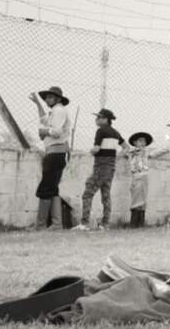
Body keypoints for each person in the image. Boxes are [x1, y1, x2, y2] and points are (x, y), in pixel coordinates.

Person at [29, 86, 73, 229]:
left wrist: (44, 131)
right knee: (52, 187)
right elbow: (43, 119)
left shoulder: (59, 111)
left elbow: (57, 132)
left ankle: (41, 225)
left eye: (50, 97)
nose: (47, 99)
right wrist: (37, 103)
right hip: (55, 152)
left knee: (46, 187)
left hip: (56, 152)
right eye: (46, 97)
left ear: (58, 99)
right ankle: (56, 223)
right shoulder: (56, 111)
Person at [76, 108, 124, 230]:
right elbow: (126, 147)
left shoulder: (100, 131)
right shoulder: (115, 132)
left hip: (100, 166)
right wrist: (115, 157)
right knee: (106, 195)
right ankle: (105, 224)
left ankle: (84, 223)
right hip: (111, 167)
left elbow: (96, 149)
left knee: (87, 194)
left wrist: (90, 152)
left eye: (99, 117)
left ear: (105, 119)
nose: (96, 119)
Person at [124, 131, 156, 228]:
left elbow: (154, 153)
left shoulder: (146, 152)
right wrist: (134, 150)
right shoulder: (133, 152)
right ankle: (134, 223)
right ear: (135, 142)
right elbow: (125, 153)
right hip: (137, 176)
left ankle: (140, 222)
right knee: (136, 198)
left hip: (145, 176)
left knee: (143, 199)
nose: (142, 143)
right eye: (140, 141)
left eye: (144, 142)